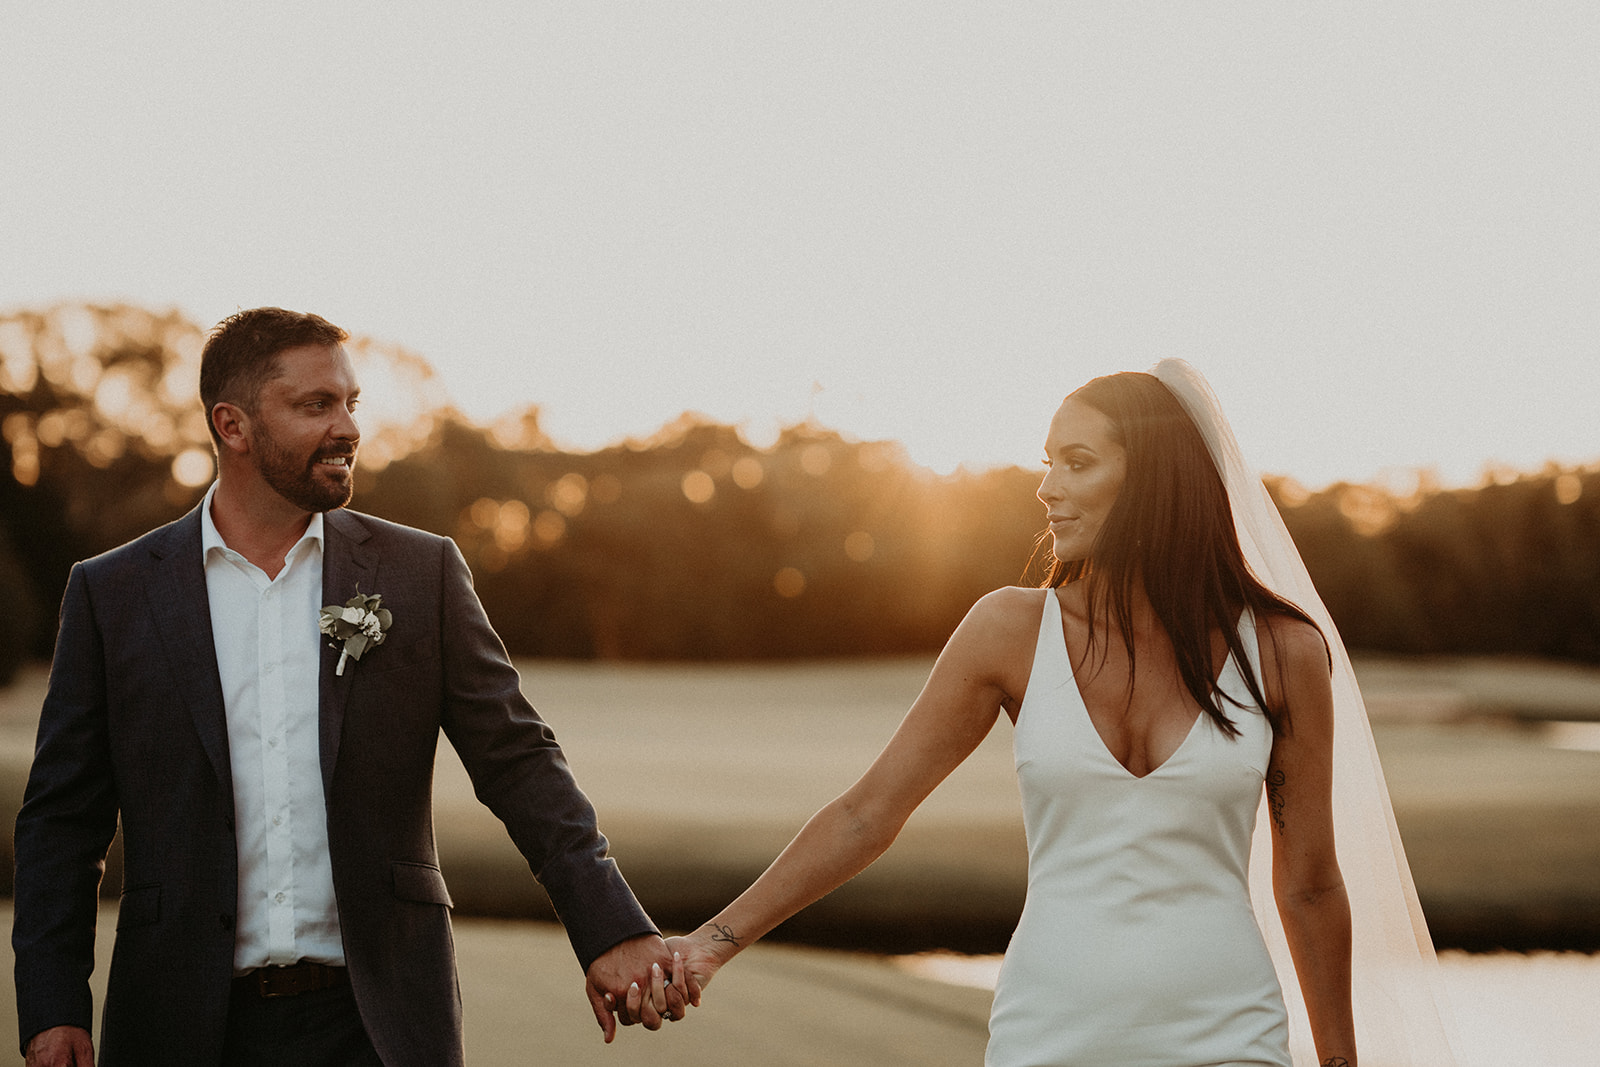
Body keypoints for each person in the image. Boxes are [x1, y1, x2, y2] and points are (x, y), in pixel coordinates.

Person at [663, 362, 1459, 1066]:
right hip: (1048, 1036)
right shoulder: (1008, 631)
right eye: (1048, 461)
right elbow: (866, 813)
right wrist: (711, 944)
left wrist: (1338, 1061)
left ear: (1153, 481)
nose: (1046, 487)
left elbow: (1310, 884)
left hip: (1228, 1038)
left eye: (1077, 462)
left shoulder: (1283, 651)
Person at [13, 307, 689, 1067]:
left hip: (379, 1025)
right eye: (315, 405)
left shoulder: (419, 573)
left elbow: (518, 760)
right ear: (231, 425)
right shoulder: (114, 594)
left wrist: (610, 925)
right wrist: (51, 1006)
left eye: (350, 403)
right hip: (179, 1023)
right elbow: (61, 825)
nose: (347, 427)